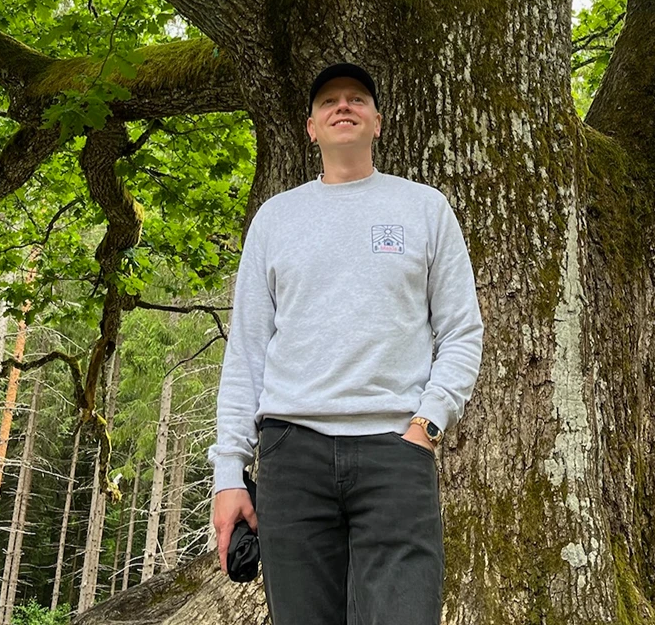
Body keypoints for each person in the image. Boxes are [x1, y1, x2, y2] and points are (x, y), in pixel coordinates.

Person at [207, 62, 484, 625]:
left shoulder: (425, 208)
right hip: (292, 455)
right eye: (328, 100)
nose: (343, 106)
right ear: (311, 128)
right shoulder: (275, 219)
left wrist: (428, 425)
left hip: (395, 452)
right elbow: (247, 354)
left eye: (357, 98)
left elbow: (461, 330)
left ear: (377, 122)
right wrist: (229, 474)